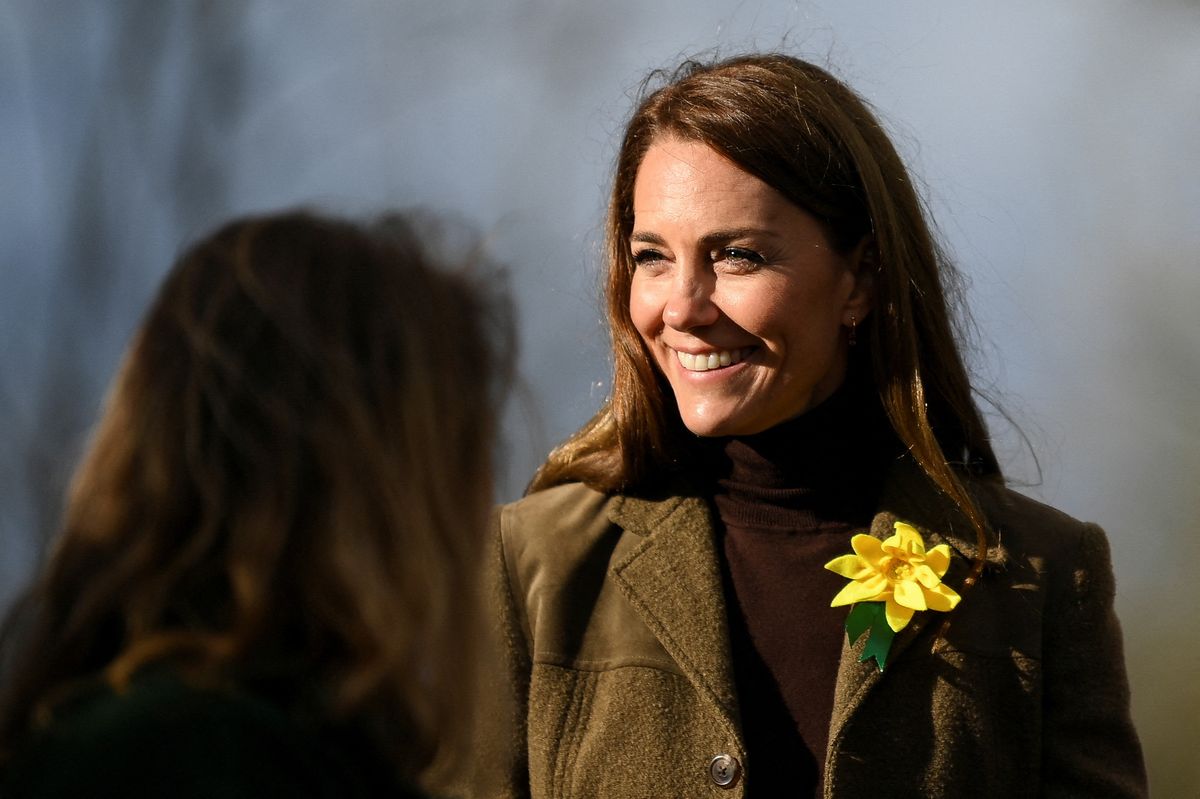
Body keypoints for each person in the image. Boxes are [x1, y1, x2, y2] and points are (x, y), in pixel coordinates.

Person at [487, 54, 1147, 798]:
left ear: (860, 277)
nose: (682, 307)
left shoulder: (1039, 573)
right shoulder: (529, 567)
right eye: (653, 258)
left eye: (737, 256)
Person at [0, 209, 513, 797]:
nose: (475, 515)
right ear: (382, 486)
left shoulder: (91, 736)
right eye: (462, 454)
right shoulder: (205, 759)